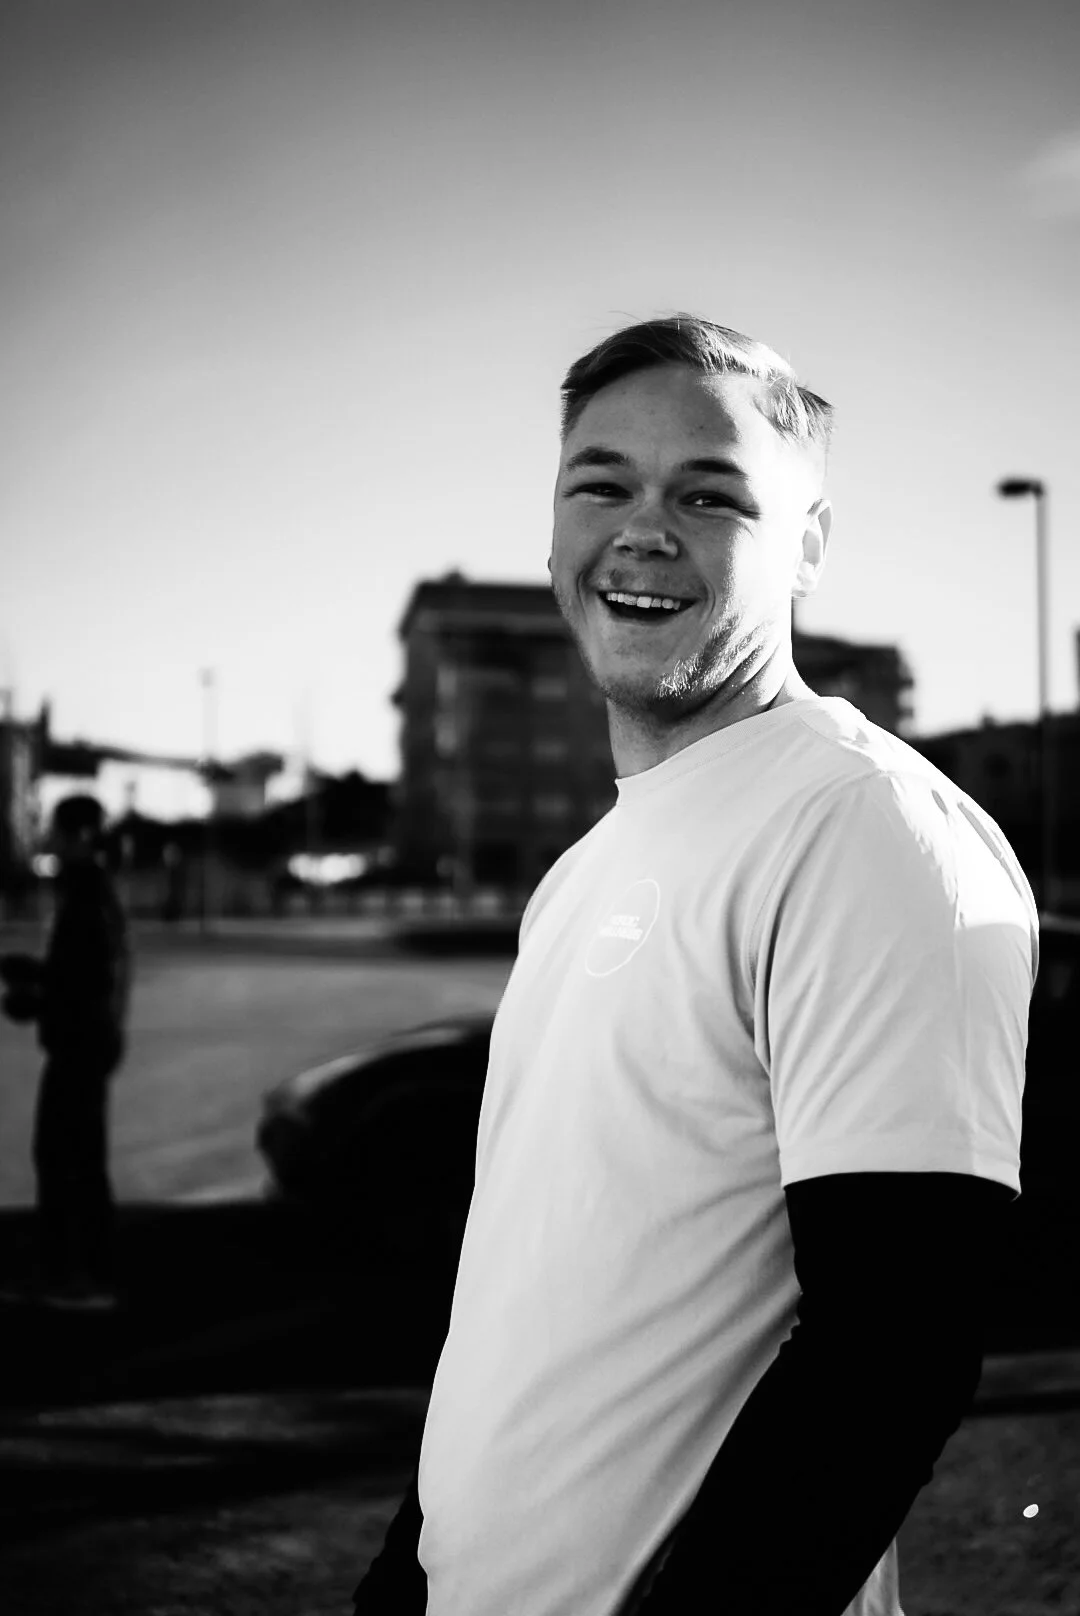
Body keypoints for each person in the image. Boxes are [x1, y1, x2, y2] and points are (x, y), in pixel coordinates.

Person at [351, 316, 1036, 1616]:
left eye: (709, 493)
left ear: (810, 547)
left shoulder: (865, 827)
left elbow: (894, 1358)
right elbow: (523, 1308)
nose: (643, 527)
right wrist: (404, 1580)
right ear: (551, 531)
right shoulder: (577, 880)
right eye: (600, 483)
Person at [1, 794, 131, 1308]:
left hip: (79, 1043)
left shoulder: (85, 893)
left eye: (56, 830)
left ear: (78, 836)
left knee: (62, 1159)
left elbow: (83, 978)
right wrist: (30, 975)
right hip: (89, 1039)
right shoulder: (90, 890)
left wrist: (33, 997)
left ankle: (71, 1277)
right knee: (76, 1159)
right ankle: (83, 1274)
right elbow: (87, 972)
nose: (49, 840)